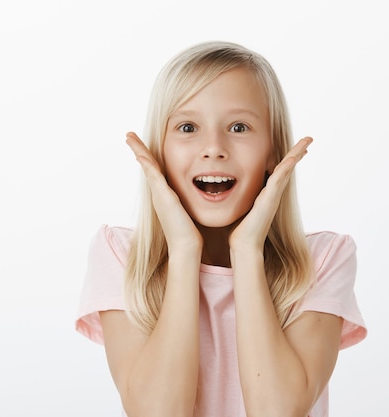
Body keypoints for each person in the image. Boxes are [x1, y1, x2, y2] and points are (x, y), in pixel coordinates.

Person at [75, 40, 366, 417]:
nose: (213, 148)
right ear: (159, 149)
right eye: (187, 127)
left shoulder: (324, 259)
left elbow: (278, 412)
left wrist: (246, 250)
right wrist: (182, 251)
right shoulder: (120, 255)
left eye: (239, 127)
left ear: (274, 151)